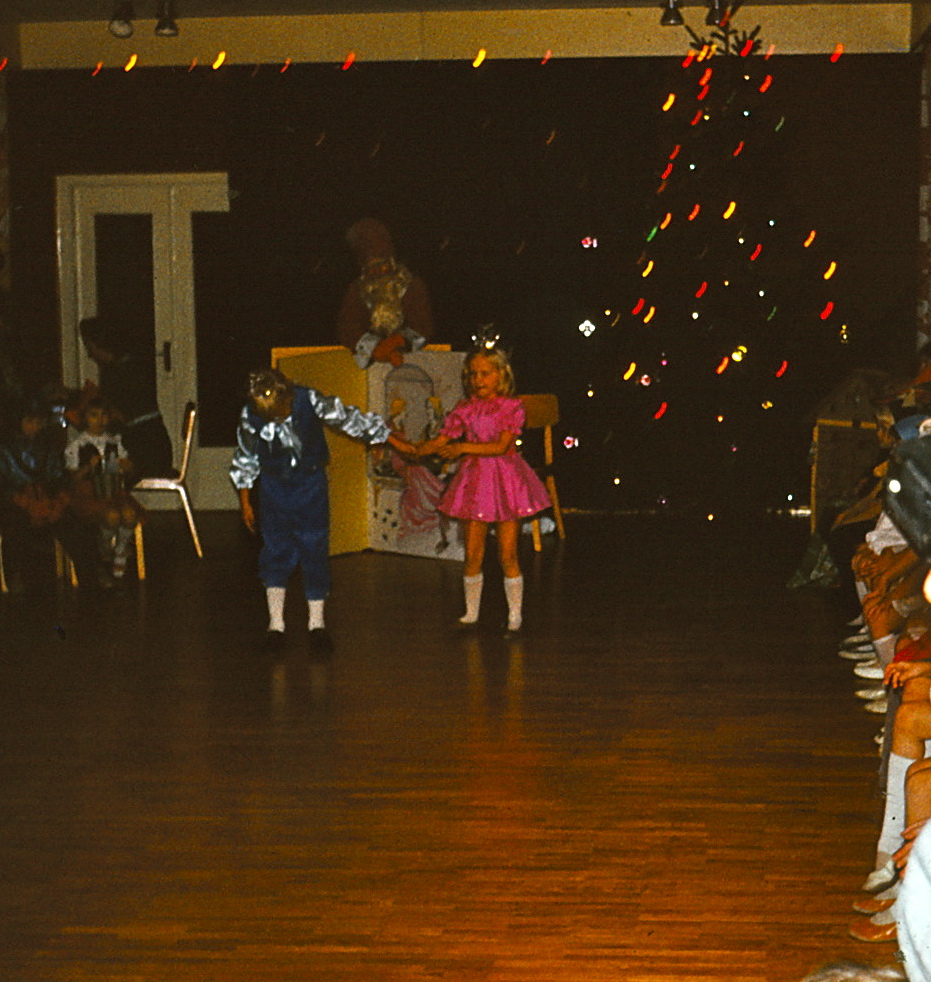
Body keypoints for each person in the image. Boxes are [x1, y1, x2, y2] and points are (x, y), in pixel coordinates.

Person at [230, 367, 405, 653]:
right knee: (275, 550)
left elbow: (348, 419)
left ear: (288, 396)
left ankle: (317, 623)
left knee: (314, 547)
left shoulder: (308, 399)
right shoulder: (250, 416)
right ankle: (276, 624)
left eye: (283, 413)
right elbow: (246, 457)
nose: (280, 420)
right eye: (272, 418)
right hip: (274, 488)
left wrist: (389, 436)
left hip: (310, 485)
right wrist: (245, 500)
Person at [413, 346, 551, 635]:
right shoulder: (465, 408)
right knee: (473, 553)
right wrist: (420, 448)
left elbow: (500, 446)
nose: (478, 380)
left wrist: (462, 447)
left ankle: (515, 615)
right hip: (475, 483)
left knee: (508, 554)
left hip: (505, 481)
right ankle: (471, 613)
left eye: (485, 374)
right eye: (473, 374)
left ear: (501, 375)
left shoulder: (511, 407)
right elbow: (443, 438)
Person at [0, 397, 100, 592]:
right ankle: (15, 577)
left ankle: (90, 577)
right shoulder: (4, 448)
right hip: (14, 501)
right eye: (29, 421)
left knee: (73, 525)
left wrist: (58, 501)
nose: (34, 427)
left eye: (38, 422)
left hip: (45, 498)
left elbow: (58, 478)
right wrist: (24, 501)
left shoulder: (48, 446)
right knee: (14, 526)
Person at [79, 316, 174, 479]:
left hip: (147, 451)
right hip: (153, 445)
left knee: (96, 462)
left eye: (89, 347)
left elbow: (116, 417)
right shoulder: (126, 366)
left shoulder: (120, 374)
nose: (89, 354)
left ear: (99, 344)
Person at [336, 218, 434, 369]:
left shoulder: (412, 286)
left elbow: (422, 326)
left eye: (383, 265)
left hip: (412, 365)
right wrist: (375, 347)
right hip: (367, 369)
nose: (379, 273)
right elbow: (348, 329)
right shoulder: (356, 291)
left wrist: (399, 342)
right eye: (372, 268)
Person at [64, 396, 144, 581]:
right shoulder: (78, 444)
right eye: (94, 415)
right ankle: (105, 546)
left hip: (112, 489)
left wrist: (127, 466)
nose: (99, 420)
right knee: (112, 516)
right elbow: (71, 478)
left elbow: (130, 471)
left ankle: (120, 549)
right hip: (88, 493)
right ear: (85, 418)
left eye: (104, 415)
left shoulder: (114, 441)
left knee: (129, 514)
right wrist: (88, 467)